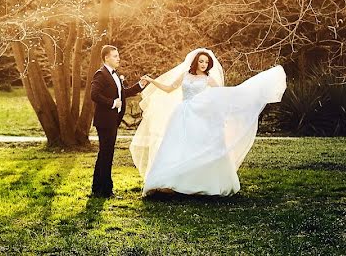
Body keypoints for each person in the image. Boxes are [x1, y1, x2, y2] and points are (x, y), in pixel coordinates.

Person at [131, 48, 286, 196]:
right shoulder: (185, 75)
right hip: (182, 114)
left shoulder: (208, 79)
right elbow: (169, 88)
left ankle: (198, 183)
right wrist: (151, 80)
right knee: (177, 146)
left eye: (206, 62)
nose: (204, 64)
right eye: (201, 61)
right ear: (195, 62)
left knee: (199, 146)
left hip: (199, 116)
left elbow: (220, 97)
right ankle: (171, 181)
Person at [90, 44, 149, 198]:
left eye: (118, 55)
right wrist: (112, 103)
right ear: (106, 58)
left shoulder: (114, 75)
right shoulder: (100, 74)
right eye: (115, 56)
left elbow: (123, 94)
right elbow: (94, 95)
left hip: (112, 121)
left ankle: (97, 189)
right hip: (104, 121)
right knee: (106, 154)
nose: (119, 58)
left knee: (104, 153)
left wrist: (140, 86)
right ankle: (106, 190)